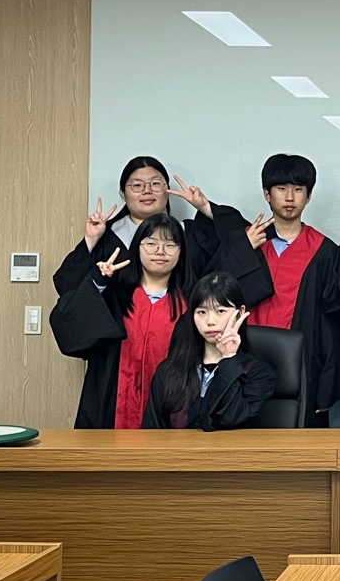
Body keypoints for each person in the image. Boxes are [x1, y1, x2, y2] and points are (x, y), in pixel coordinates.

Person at [51, 177, 272, 429]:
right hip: (115, 398)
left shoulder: (193, 300)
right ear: (137, 248)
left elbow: (225, 281)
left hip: (175, 402)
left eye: (170, 244)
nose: (160, 251)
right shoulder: (117, 293)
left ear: (181, 251)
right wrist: (98, 280)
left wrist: (237, 239)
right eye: (151, 243)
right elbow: (71, 316)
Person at [246, 153, 340, 423]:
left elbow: (339, 311)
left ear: (309, 196)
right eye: (281, 188)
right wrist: (242, 250)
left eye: (298, 189)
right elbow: (217, 293)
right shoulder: (249, 243)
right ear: (267, 194)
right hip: (249, 359)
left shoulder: (324, 251)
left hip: (304, 365)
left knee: (304, 437)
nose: (290, 197)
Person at [52, 157, 249, 295]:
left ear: (167, 190)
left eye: (156, 184)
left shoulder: (190, 234)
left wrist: (204, 207)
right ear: (123, 193)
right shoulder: (109, 237)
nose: (147, 191)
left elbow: (244, 242)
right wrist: (91, 239)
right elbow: (67, 285)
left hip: (183, 334)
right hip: (122, 337)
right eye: (137, 185)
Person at [142, 272, 277, 430]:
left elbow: (230, 419)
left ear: (240, 312)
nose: (210, 322)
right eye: (202, 312)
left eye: (220, 311)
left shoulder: (258, 373)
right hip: (176, 447)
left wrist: (228, 358)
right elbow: (151, 430)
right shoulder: (169, 370)